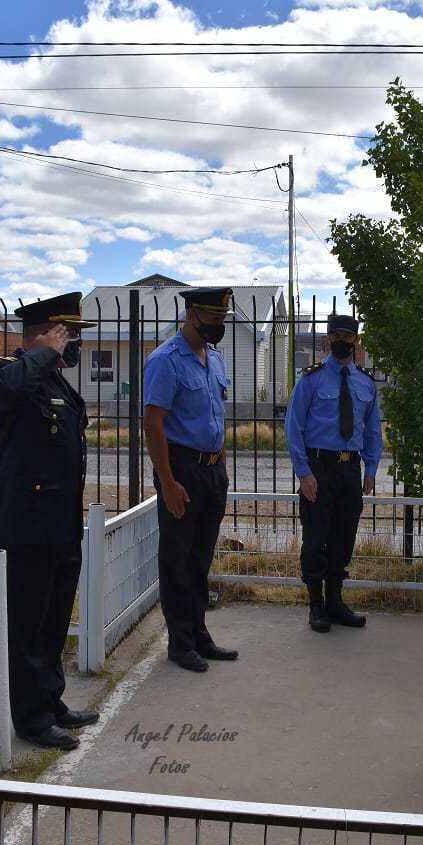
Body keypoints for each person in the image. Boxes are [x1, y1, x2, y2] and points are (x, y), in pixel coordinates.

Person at [0, 292, 99, 751]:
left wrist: (48, 357)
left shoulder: (57, 384)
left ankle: (51, 703)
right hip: (25, 527)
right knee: (27, 628)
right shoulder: (9, 376)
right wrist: (42, 352)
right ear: (44, 335)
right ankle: (30, 719)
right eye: (68, 335)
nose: (73, 346)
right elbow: (5, 388)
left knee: (52, 623)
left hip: (60, 524)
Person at [143, 286, 239, 672]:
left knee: (200, 558)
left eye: (222, 319)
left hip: (212, 470)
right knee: (177, 560)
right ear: (192, 314)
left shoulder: (214, 359)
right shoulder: (165, 360)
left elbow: (216, 415)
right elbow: (153, 422)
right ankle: (180, 643)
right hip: (181, 469)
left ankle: (199, 633)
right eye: (213, 319)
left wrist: (221, 462)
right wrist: (167, 481)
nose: (218, 325)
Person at [285, 314, 382, 633]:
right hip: (319, 468)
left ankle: (336, 602)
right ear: (328, 339)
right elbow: (293, 428)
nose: (342, 341)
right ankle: (316, 605)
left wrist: (371, 468)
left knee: (343, 538)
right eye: (336, 336)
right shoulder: (310, 379)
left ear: (356, 340)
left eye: (348, 336)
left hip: (349, 469)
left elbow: (371, 431)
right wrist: (304, 472)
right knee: (315, 539)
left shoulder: (366, 383)